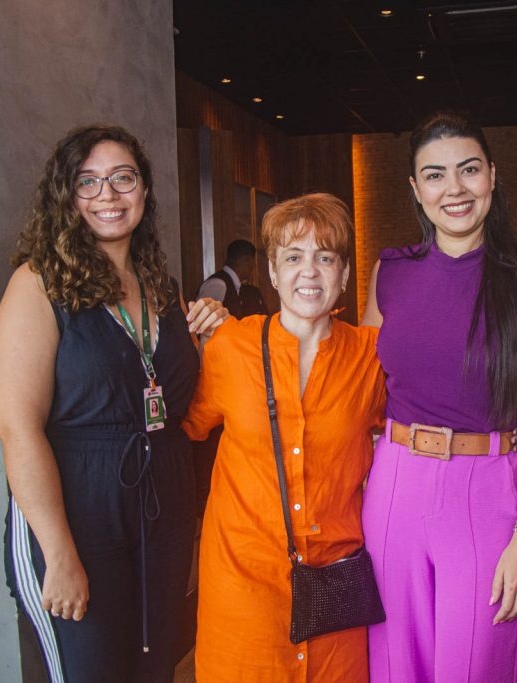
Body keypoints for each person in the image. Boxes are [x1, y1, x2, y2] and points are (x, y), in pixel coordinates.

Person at [0, 124, 225, 683]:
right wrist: (58, 552)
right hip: (75, 514)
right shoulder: (38, 282)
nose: (108, 195)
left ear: (144, 190)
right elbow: (16, 427)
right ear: (67, 197)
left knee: (155, 672)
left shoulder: (161, 287)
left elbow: (180, 396)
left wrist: (210, 335)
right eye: (88, 182)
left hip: (159, 515)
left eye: (123, 178)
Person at [360, 111, 517, 682]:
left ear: (492, 176)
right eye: (435, 175)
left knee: (473, 666)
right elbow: (356, 380)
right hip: (394, 485)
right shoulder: (390, 273)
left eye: (468, 170)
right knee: (394, 666)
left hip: (486, 489)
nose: (454, 189)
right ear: (415, 190)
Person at [182, 193, 387, 681]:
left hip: (335, 585)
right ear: (271, 273)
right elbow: (184, 428)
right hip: (243, 586)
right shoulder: (230, 347)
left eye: (325, 257)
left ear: (343, 273)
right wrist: (187, 341)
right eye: (293, 258)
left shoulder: (371, 357)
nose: (309, 272)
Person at [192, 239, 267, 518]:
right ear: (244, 261)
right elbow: (202, 334)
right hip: (217, 379)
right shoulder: (218, 285)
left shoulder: (246, 291)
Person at [196, 238, 267, 318]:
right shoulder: (217, 284)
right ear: (246, 261)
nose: (253, 268)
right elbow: (202, 319)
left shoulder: (239, 287)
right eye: (252, 263)